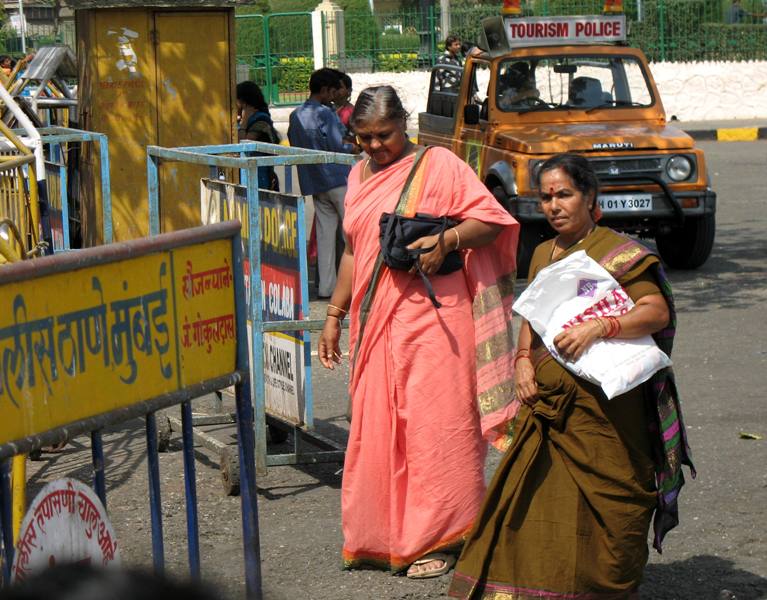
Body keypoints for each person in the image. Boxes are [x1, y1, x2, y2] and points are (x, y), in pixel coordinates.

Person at [449, 153, 695, 599]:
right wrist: (522, 360)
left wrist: (601, 325)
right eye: (545, 197)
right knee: (537, 501)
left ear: (589, 196)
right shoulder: (543, 252)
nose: (554, 206)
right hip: (550, 407)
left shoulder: (619, 253)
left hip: (607, 415)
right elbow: (533, 316)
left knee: (616, 506)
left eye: (564, 194)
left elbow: (655, 311)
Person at [318, 85, 520, 579]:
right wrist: (334, 315)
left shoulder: (439, 165)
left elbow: (490, 221)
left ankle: (440, 537)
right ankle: (383, 535)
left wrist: (447, 237)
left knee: (435, 428)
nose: (373, 147)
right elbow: (352, 250)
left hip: (436, 317)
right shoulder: (359, 173)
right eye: (362, 137)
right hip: (375, 321)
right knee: (378, 428)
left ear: (403, 124)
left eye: (382, 136)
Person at [288, 68, 357, 298]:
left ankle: (327, 287)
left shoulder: (295, 115)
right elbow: (339, 145)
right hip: (338, 178)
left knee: (325, 235)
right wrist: (354, 147)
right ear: (325, 90)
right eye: (332, 90)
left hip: (315, 181)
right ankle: (359, 282)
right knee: (353, 233)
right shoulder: (325, 114)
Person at [236, 80, 280, 191]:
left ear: (243, 102)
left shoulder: (260, 119)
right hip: (249, 174)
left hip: (259, 176)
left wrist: (244, 120)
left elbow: (244, 144)